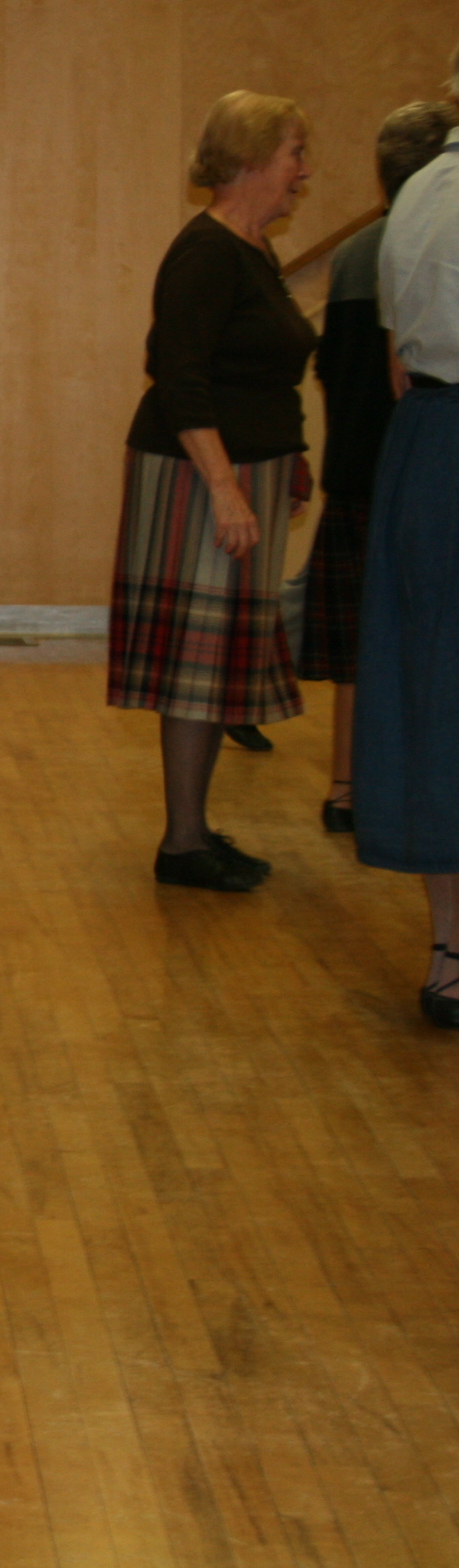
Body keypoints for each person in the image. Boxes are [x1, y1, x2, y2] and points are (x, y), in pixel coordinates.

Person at [110, 90, 318, 891]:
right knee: (197, 664)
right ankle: (184, 843)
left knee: (216, 660)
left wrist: (289, 458)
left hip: (239, 470)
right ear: (252, 158)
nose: (304, 171)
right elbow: (181, 376)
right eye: (294, 153)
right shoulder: (206, 251)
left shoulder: (251, 250)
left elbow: (264, 372)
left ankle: (191, 834)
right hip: (197, 476)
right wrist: (227, 487)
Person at [302, 101, 459, 832]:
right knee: (420, 648)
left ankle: (346, 788)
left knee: (363, 648)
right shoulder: (424, 233)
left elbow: (333, 367)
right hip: (415, 464)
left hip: (362, 465)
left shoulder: (357, 253)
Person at [368, 50, 459, 1025]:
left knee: (434, 696)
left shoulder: (420, 191)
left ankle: (447, 951)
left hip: (426, 444)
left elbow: (398, 358)